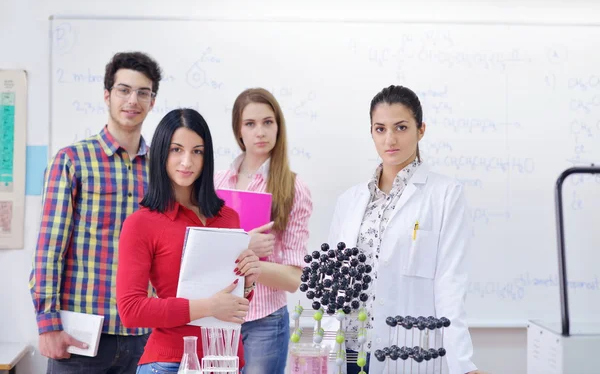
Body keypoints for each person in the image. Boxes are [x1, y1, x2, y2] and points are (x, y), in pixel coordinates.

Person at [323, 85, 485, 374]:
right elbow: (333, 283)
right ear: (371, 132)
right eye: (380, 129)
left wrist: (463, 365)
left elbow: (450, 284)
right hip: (348, 350)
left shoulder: (445, 194)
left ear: (421, 130)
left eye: (401, 127)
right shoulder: (350, 201)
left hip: (407, 352)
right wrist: (323, 346)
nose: (390, 139)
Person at [29, 51, 162, 373]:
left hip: (143, 335)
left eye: (143, 92)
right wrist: (47, 323)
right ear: (107, 95)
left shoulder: (162, 170)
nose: (133, 100)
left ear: (153, 101)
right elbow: (50, 249)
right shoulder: (72, 160)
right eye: (124, 90)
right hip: (81, 336)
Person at [116, 108, 260, 373]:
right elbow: (131, 310)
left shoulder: (229, 218)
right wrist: (208, 307)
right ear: (161, 153)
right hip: (170, 362)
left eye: (197, 151)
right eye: (176, 150)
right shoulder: (141, 223)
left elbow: (232, 308)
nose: (187, 161)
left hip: (228, 361)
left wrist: (247, 283)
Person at [214, 88, 313, 374]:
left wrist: (249, 261)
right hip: (218, 314)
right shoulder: (216, 182)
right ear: (238, 131)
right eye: (250, 124)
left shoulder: (293, 188)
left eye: (268, 122)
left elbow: (294, 278)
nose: (260, 131)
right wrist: (245, 245)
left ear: (278, 127)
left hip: (265, 320)